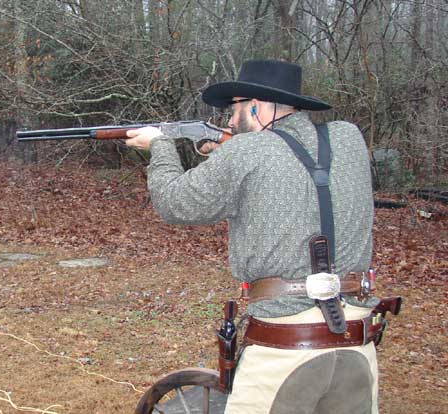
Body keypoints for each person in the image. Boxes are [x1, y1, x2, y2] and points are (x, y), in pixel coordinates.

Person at [125, 60, 385, 414]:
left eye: (234, 109)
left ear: (255, 106)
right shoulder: (349, 137)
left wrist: (161, 146)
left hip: (282, 348)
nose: (230, 121)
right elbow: (296, 168)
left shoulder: (245, 151)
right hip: (356, 337)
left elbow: (174, 204)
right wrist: (231, 157)